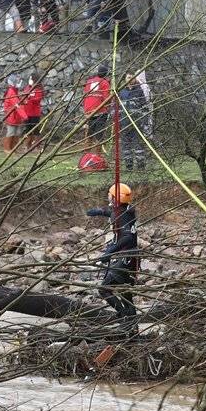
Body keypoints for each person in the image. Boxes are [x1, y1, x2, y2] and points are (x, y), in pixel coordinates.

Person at [88, 183, 139, 322]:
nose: (108, 197)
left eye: (110, 195)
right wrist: (99, 212)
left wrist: (109, 252)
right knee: (125, 293)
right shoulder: (127, 211)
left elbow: (127, 236)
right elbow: (114, 214)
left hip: (125, 258)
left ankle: (123, 316)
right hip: (133, 258)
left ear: (115, 198)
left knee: (104, 289)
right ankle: (132, 326)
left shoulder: (120, 215)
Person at [120, 75, 151, 170]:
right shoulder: (121, 92)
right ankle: (129, 166)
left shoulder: (138, 91)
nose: (130, 79)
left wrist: (144, 122)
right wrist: (117, 120)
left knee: (138, 146)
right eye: (128, 77)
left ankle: (141, 166)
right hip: (124, 123)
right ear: (125, 79)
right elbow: (116, 107)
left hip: (137, 123)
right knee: (126, 146)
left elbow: (144, 107)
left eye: (132, 77)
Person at [82, 64, 111, 154]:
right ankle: (98, 156)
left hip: (89, 111)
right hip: (100, 112)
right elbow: (107, 99)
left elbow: (85, 96)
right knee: (99, 136)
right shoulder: (104, 83)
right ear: (106, 74)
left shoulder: (89, 81)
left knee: (89, 135)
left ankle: (86, 155)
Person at [1, 76, 28, 154]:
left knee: (17, 133)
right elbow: (17, 106)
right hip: (11, 116)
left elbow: (18, 103)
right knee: (11, 132)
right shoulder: (11, 92)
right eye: (17, 81)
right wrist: (25, 116)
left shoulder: (15, 91)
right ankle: (7, 148)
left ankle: (14, 148)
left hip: (16, 116)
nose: (19, 83)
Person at [22, 74, 44, 149]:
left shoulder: (39, 89)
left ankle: (37, 146)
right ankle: (27, 145)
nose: (30, 80)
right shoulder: (27, 88)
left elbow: (37, 99)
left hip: (34, 113)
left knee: (35, 130)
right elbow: (24, 96)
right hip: (27, 112)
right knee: (27, 129)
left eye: (31, 79)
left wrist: (29, 98)